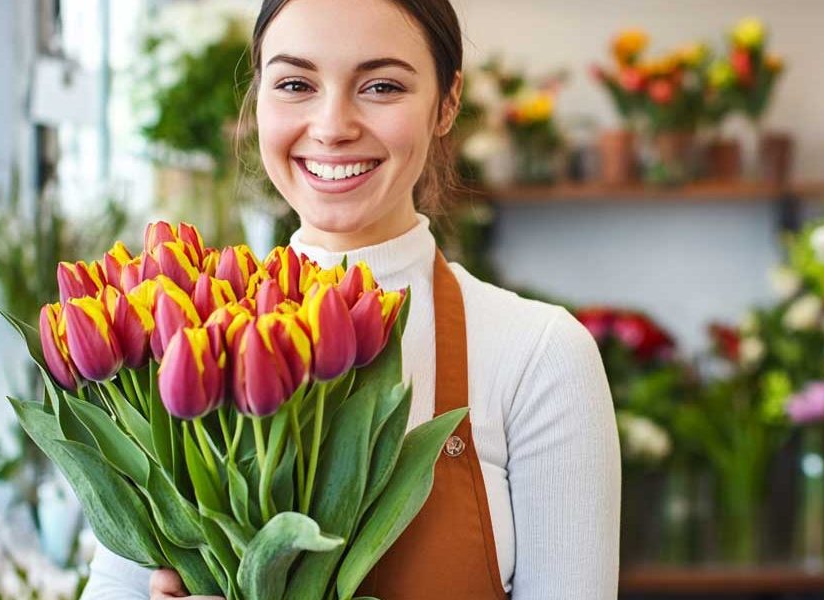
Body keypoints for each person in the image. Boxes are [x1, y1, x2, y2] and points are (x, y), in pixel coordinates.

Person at [81, 0, 620, 597]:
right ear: (258, 99)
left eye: (382, 85)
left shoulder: (538, 355)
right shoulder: (180, 337)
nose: (333, 125)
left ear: (447, 103)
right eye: (294, 83)